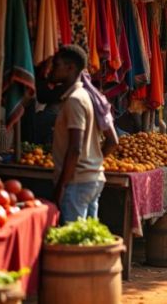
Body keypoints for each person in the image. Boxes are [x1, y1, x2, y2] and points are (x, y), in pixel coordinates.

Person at [49, 45, 118, 224]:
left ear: (70, 68)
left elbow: (75, 149)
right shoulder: (88, 97)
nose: (52, 70)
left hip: (77, 182)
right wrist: (93, 163)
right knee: (87, 240)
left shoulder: (75, 100)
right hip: (91, 179)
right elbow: (113, 141)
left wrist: (61, 186)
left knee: (74, 243)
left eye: (57, 65)